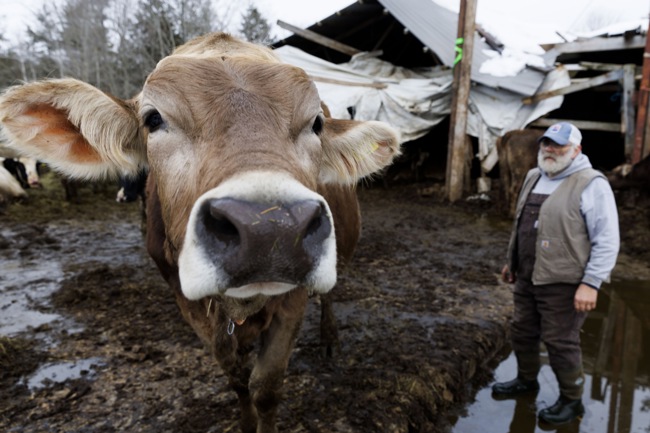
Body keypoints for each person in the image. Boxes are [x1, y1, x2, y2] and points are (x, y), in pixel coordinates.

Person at [492, 122, 620, 426]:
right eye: (546, 143)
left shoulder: (591, 183)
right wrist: (512, 260)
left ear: (576, 150)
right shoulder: (534, 176)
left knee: (560, 340)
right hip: (528, 275)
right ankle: (526, 381)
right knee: (522, 330)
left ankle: (571, 401)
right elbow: (523, 224)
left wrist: (591, 283)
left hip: (565, 281)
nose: (550, 150)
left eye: (559, 145)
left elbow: (607, 239)